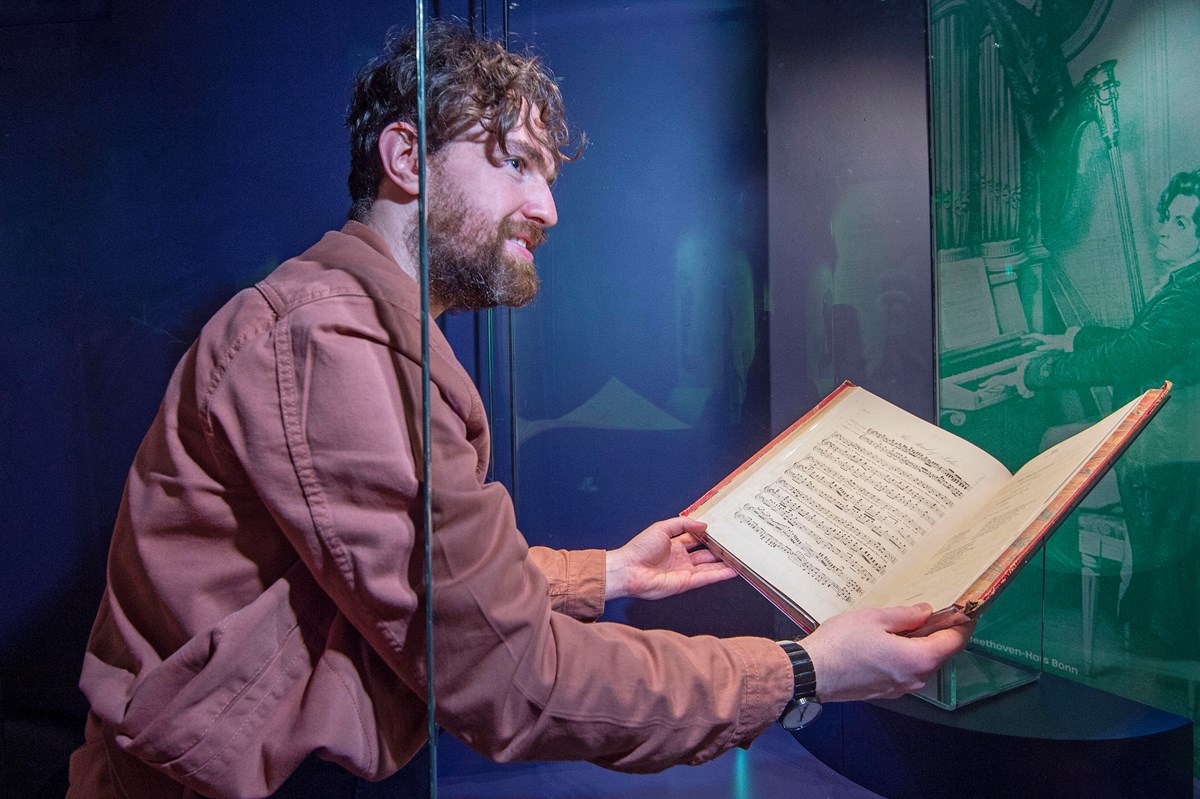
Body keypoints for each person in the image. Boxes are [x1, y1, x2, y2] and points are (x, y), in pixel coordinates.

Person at [67, 22, 972, 799]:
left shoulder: (363, 322)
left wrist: (611, 573)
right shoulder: (334, 339)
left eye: (548, 174)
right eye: (516, 165)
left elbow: (414, 590)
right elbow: (515, 678)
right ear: (407, 158)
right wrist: (806, 671)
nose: (547, 206)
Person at [995, 168, 1200, 661]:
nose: (1164, 229)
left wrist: (1039, 371)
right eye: (1165, 218)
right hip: (1170, 434)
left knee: (1045, 444)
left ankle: (1030, 592)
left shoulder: (1189, 292)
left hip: (1164, 449)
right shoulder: (1186, 284)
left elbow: (1128, 356)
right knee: (1052, 438)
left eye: (1180, 222)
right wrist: (1072, 337)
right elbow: (1142, 343)